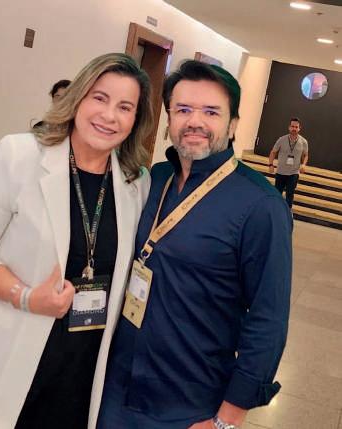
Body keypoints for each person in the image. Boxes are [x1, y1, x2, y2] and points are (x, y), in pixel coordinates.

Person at [0, 52, 154, 429]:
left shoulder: (134, 181)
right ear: (77, 97)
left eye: (125, 107)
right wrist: (25, 295)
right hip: (0, 360)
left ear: (136, 120)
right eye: (99, 98)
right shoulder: (19, 155)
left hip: (78, 372)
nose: (110, 115)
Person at [96, 60, 292, 429]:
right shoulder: (155, 179)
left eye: (211, 112)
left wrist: (227, 419)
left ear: (233, 124)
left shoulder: (261, 206)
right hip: (115, 386)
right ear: (169, 118)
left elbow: (269, 318)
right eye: (183, 110)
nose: (195, 121)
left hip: (188, 404)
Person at [268, 117, 309, 208]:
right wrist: (270, 164)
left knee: (290, 194)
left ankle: (287, 212)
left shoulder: (304, 142)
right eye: (292, 126)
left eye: (296, 127)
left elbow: (305, 155)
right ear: (289, 127)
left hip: (294, 173)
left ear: (299, 128)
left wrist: (303, 165)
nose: (294, 128)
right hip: (281, 172)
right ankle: (276, 211)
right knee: (277, 194)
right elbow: (273, 152)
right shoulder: (281, 139)